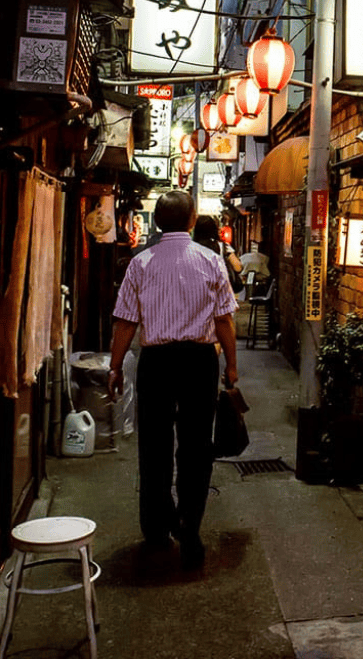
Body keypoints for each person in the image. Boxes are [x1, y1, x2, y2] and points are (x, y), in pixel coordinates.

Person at [107, 190, 238, 569]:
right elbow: (224, 321)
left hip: (156, 362)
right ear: (192, 219)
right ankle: (190, 526)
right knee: (197, 446)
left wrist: (114, 368)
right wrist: (231, 367)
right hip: (199, 362)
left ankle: (156, 528)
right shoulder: (211, 262)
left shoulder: (141, 263)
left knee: (154, 444)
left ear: (157, 222)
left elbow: (126, 320)